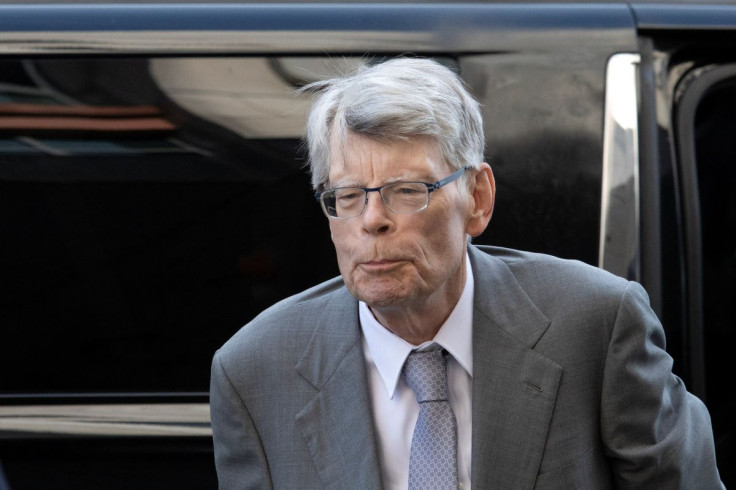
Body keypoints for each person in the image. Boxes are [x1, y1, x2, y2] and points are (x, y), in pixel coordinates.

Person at [210, 57, 723, 489]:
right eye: (346, 197)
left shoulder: (595, 323)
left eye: (407, 190)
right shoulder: (255, 370)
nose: (371, 220)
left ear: (477, 199)